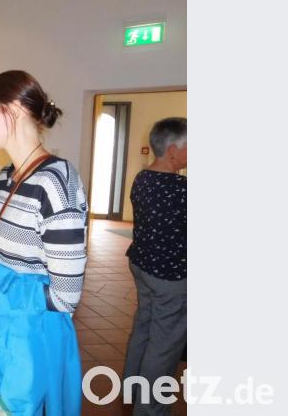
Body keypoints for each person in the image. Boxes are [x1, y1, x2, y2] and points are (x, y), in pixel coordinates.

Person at [0, 70, 87, 415]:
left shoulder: (56, 182)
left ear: (14, 109)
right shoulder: (6, 176)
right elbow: (5, 256)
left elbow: (65, 296)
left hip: (25, 345)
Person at [122, 117, 187, 416]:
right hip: (170, 276)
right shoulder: (181, 189)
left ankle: (132, 389)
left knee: (145, 328)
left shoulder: (142, 178)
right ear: (173, 150)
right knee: (164, 346)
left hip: (143, 266)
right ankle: (150, 409)